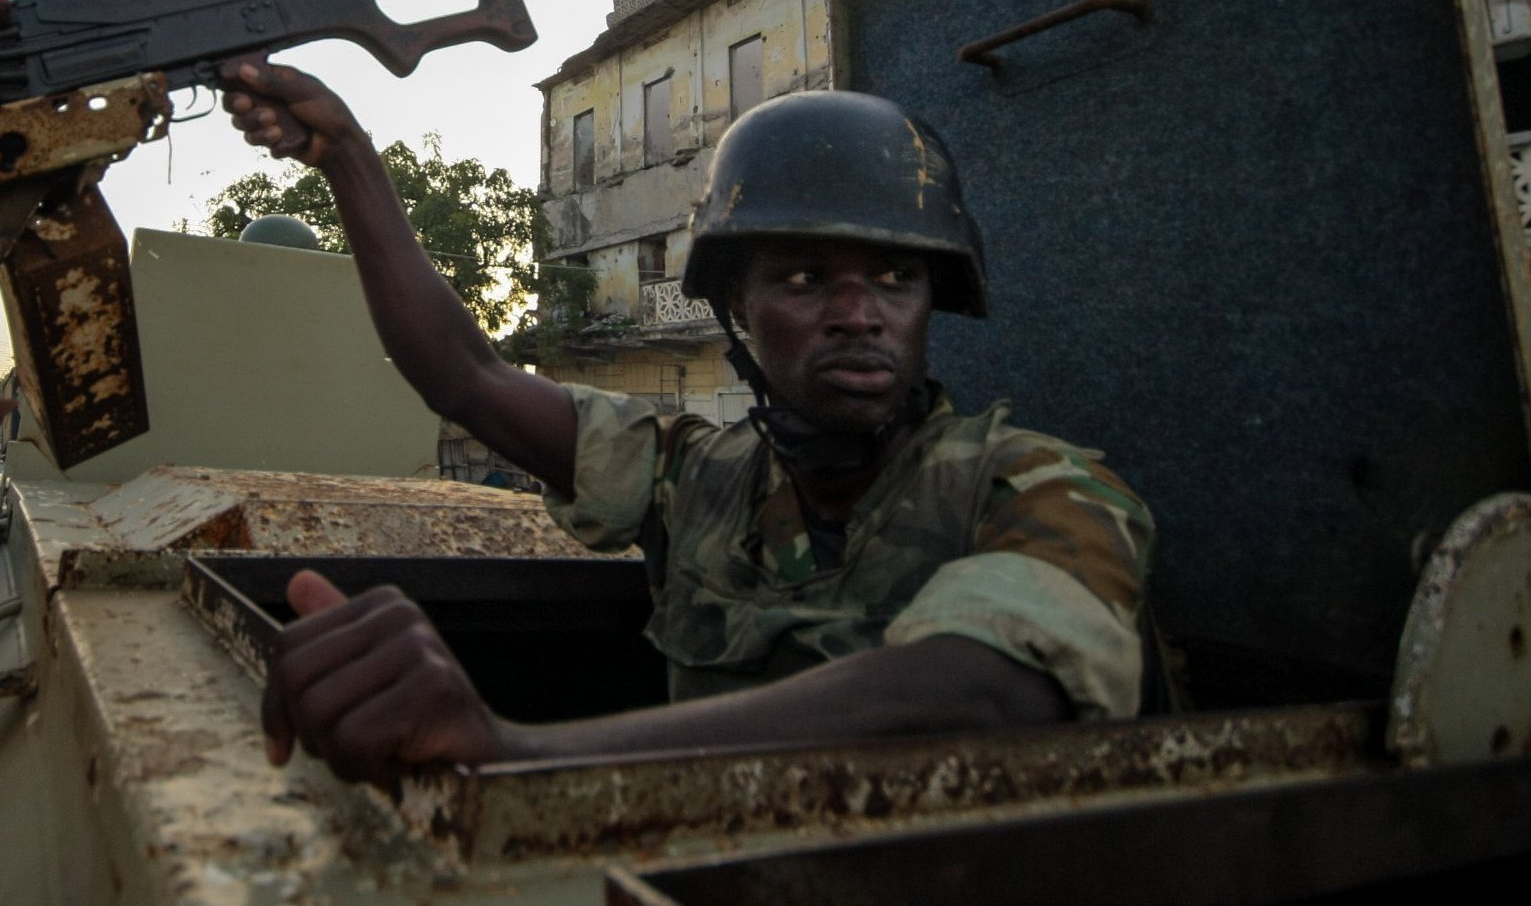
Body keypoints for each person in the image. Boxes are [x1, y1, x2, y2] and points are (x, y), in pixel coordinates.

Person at [222, 58, 1152, 785]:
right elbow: (466, 377)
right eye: (803, 277)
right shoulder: (694, 477)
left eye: (896, 278)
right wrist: (346, 154)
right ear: (736, 309)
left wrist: (519, 758)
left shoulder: (1038, 486)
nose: (859, 311)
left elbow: (979, 692)